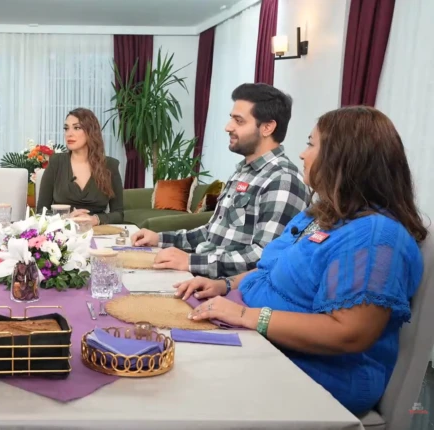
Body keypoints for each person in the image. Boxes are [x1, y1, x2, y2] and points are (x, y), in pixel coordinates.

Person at [176, 106, 428, 415]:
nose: (302, 154)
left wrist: (245, 315)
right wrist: (224, 284)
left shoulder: (375, 236)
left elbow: (349, 333)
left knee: (176, 379)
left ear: (344, 158)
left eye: (311, 144)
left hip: (320, 373)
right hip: (264, 340)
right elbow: (271, 270)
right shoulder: (321, 215)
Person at [131, 83, 309, 278]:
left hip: (227, 288)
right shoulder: (244, 172)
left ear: (267, 127)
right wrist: (159, 239)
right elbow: (211, 234)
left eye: (239, 121)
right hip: (201, 276)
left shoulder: (283, 180)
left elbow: (265, 257)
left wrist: (190, 261)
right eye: (231, 118)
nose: (228, 127)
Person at [36, 108, 124, 225]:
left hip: (97, 230)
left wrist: (96, 219)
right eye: (66, 128)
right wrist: (65, 218)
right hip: (64, 230)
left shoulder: (110, 166)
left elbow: (119, 214)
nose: (69, 134)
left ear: (91, 131)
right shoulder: (56, 162)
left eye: (77, 128)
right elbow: (40, 212)